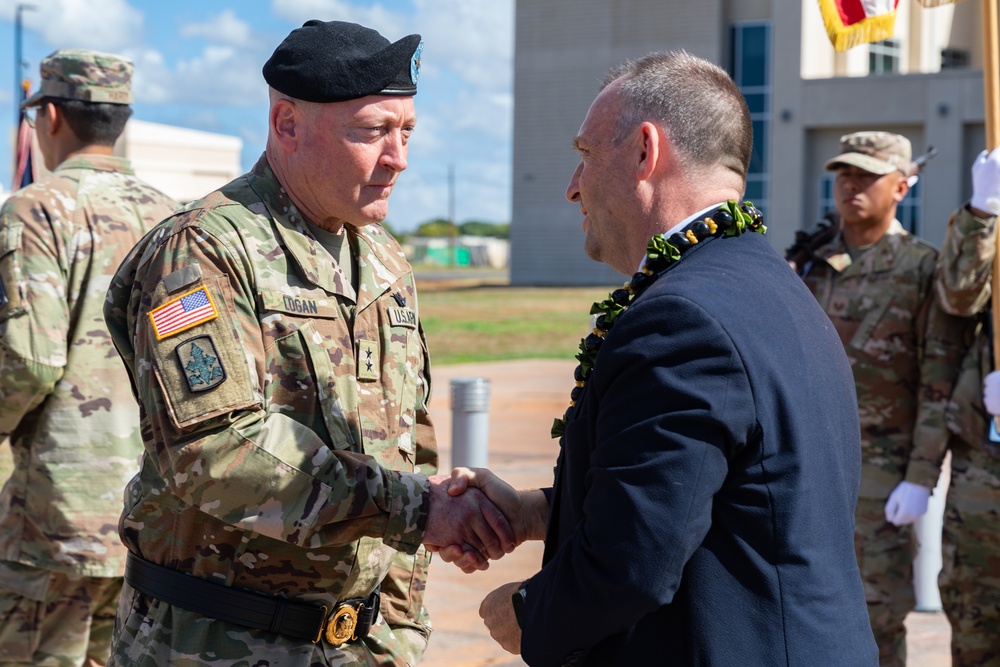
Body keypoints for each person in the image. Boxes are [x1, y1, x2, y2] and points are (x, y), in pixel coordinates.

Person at [439, 50, 877, 665]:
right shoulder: (772, 287)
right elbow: (707, 491)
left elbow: (635, 558)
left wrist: (527, 614)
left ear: (645, 151)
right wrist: (536, 511)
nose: (572, 186)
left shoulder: (684, 318)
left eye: (586, 155)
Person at [101, 20, 514, 667]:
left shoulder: (383, 260)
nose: (398, 157)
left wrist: (398, 631)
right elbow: (218, 450)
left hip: (355, 646)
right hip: (213, 644)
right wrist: (416, 508)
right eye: (375, 130)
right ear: (287, 124)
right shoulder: (204, 249)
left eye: (407, 133)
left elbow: (406, 442)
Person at [0, 49, 178, 667]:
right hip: (154, 511)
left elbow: (28, 360)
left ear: (49, 117)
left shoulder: (37, 209)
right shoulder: (173, 218)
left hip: (58, 514)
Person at [790, 132, 964, 666]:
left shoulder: (921, 268)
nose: (850, 185)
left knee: (877, 618)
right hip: (804, 468)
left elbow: (938, 380)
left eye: (867, 175)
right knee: (797, 610)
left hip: (881, 477)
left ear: (902, 186)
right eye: (844, 174)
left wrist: (920, 477)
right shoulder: (810, 264)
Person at [932, 145, 1000, 666]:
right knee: (973, 607)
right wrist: (983, 211)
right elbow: (957, 296)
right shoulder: (989, 216)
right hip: (987, 458)